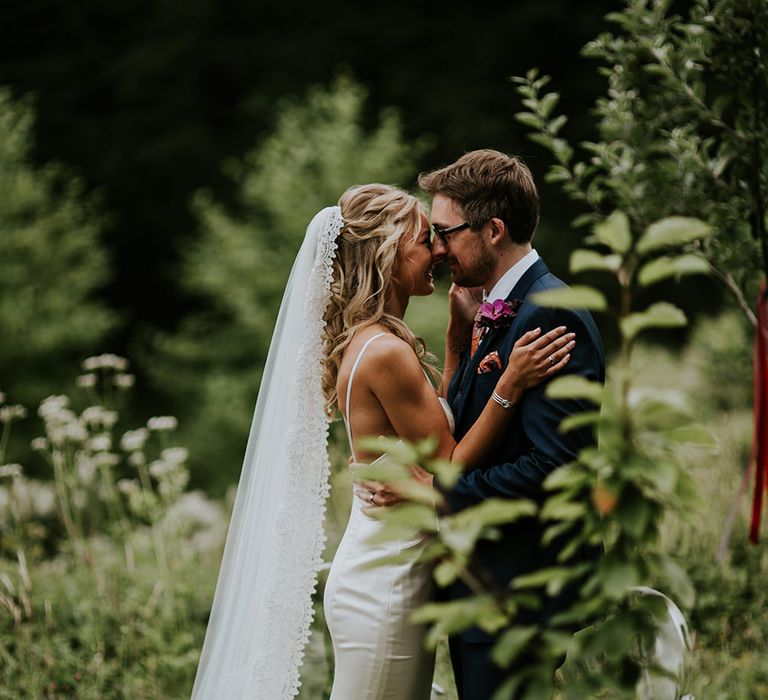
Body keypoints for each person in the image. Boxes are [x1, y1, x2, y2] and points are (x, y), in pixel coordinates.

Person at [190, 182, 574, 699]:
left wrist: (457, 351)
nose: (439, 250)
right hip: (386, 585)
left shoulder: (373, 341)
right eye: (425, 239)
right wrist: (508, 385)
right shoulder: (385, 351)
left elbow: (426, 433)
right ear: (387, 255)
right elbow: (451, 462)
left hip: (390, 573)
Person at [418, 149, 606, 700]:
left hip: (519, 590)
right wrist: (460, 340)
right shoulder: (497, 307)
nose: (436, 248)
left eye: (445, 232)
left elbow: (557, 466)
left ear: (493, 229)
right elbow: (468, 418)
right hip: (489, 582)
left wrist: (445, 489)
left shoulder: (549, 313)